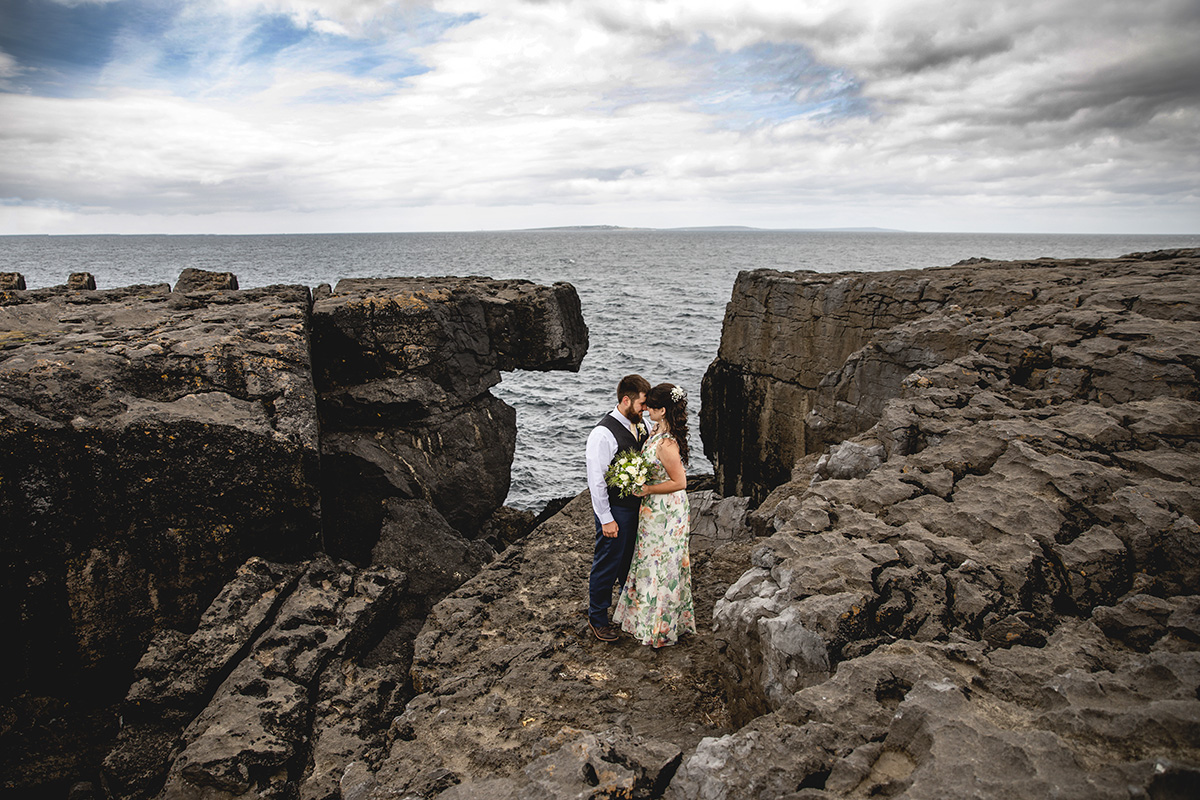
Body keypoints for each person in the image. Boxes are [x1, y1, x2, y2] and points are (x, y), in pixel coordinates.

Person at [613, 382, 696, 648]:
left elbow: (680, 482)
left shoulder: (667, 443)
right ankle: (644, 619)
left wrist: (647, 487)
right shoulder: (657, 430)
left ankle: (659, 627)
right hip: (654, 509)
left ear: (662, 410)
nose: (645, 408)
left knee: (662, 564)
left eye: (651, 405)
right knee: (648, 560)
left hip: (667, 510)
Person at [584, 374, 651, 642]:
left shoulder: (643, 423)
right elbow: (596, 481)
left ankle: (627, 611)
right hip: (616, 510)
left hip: (640, 508)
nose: (645, 409)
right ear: (626, 400)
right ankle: (597, 617)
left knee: (631, 562)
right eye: (642, 404)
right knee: (607, 564)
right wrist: (606, 519)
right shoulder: (602, 434)